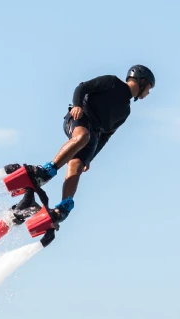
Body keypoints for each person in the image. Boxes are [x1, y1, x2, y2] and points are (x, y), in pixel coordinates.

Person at [29, 64, 155, 223]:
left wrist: (90, 159)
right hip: (80, 118)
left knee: (77, 165)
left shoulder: (125, 111)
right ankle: (46, 171)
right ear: (142, 81)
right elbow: (82, 87)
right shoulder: (112, 82)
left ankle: (63, 207)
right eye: (149, 88)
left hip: (94, 134)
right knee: (82, 136)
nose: (148, 93)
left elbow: (106, 137)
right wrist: (77, 105)